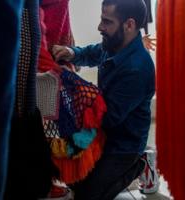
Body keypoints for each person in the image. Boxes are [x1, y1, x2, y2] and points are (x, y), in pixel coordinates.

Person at [52, 0, 155, 199]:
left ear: (129, 25)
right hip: (103, 134)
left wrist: (72, 82)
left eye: (107, 22)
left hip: (124, 145)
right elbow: (92, 53)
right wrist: (72, 53)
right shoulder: (115, 44)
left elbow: (108, 117)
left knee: (87, 194)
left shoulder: (137, 69)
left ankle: (139, 164)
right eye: (101, 19)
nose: (100, 27)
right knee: (70, 176)